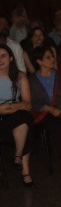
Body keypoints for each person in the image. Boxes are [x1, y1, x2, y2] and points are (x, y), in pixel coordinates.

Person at [28, 46, 61, 175]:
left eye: (53, 56)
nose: (53, 59)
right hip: (43, 113)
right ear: (39, 61)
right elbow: (32, 103)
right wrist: (49, 108)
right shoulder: (32, 80)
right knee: (55, 123)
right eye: (48, 57)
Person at [0, 44, 34, 186]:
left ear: (11, 58)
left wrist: (8, 107)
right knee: (23, 122)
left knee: (24, 119)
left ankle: (18, 156)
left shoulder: (20, 76)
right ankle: (24, 170)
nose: (0, 59)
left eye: (3, 56)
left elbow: (27, 104)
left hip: (13, 113)